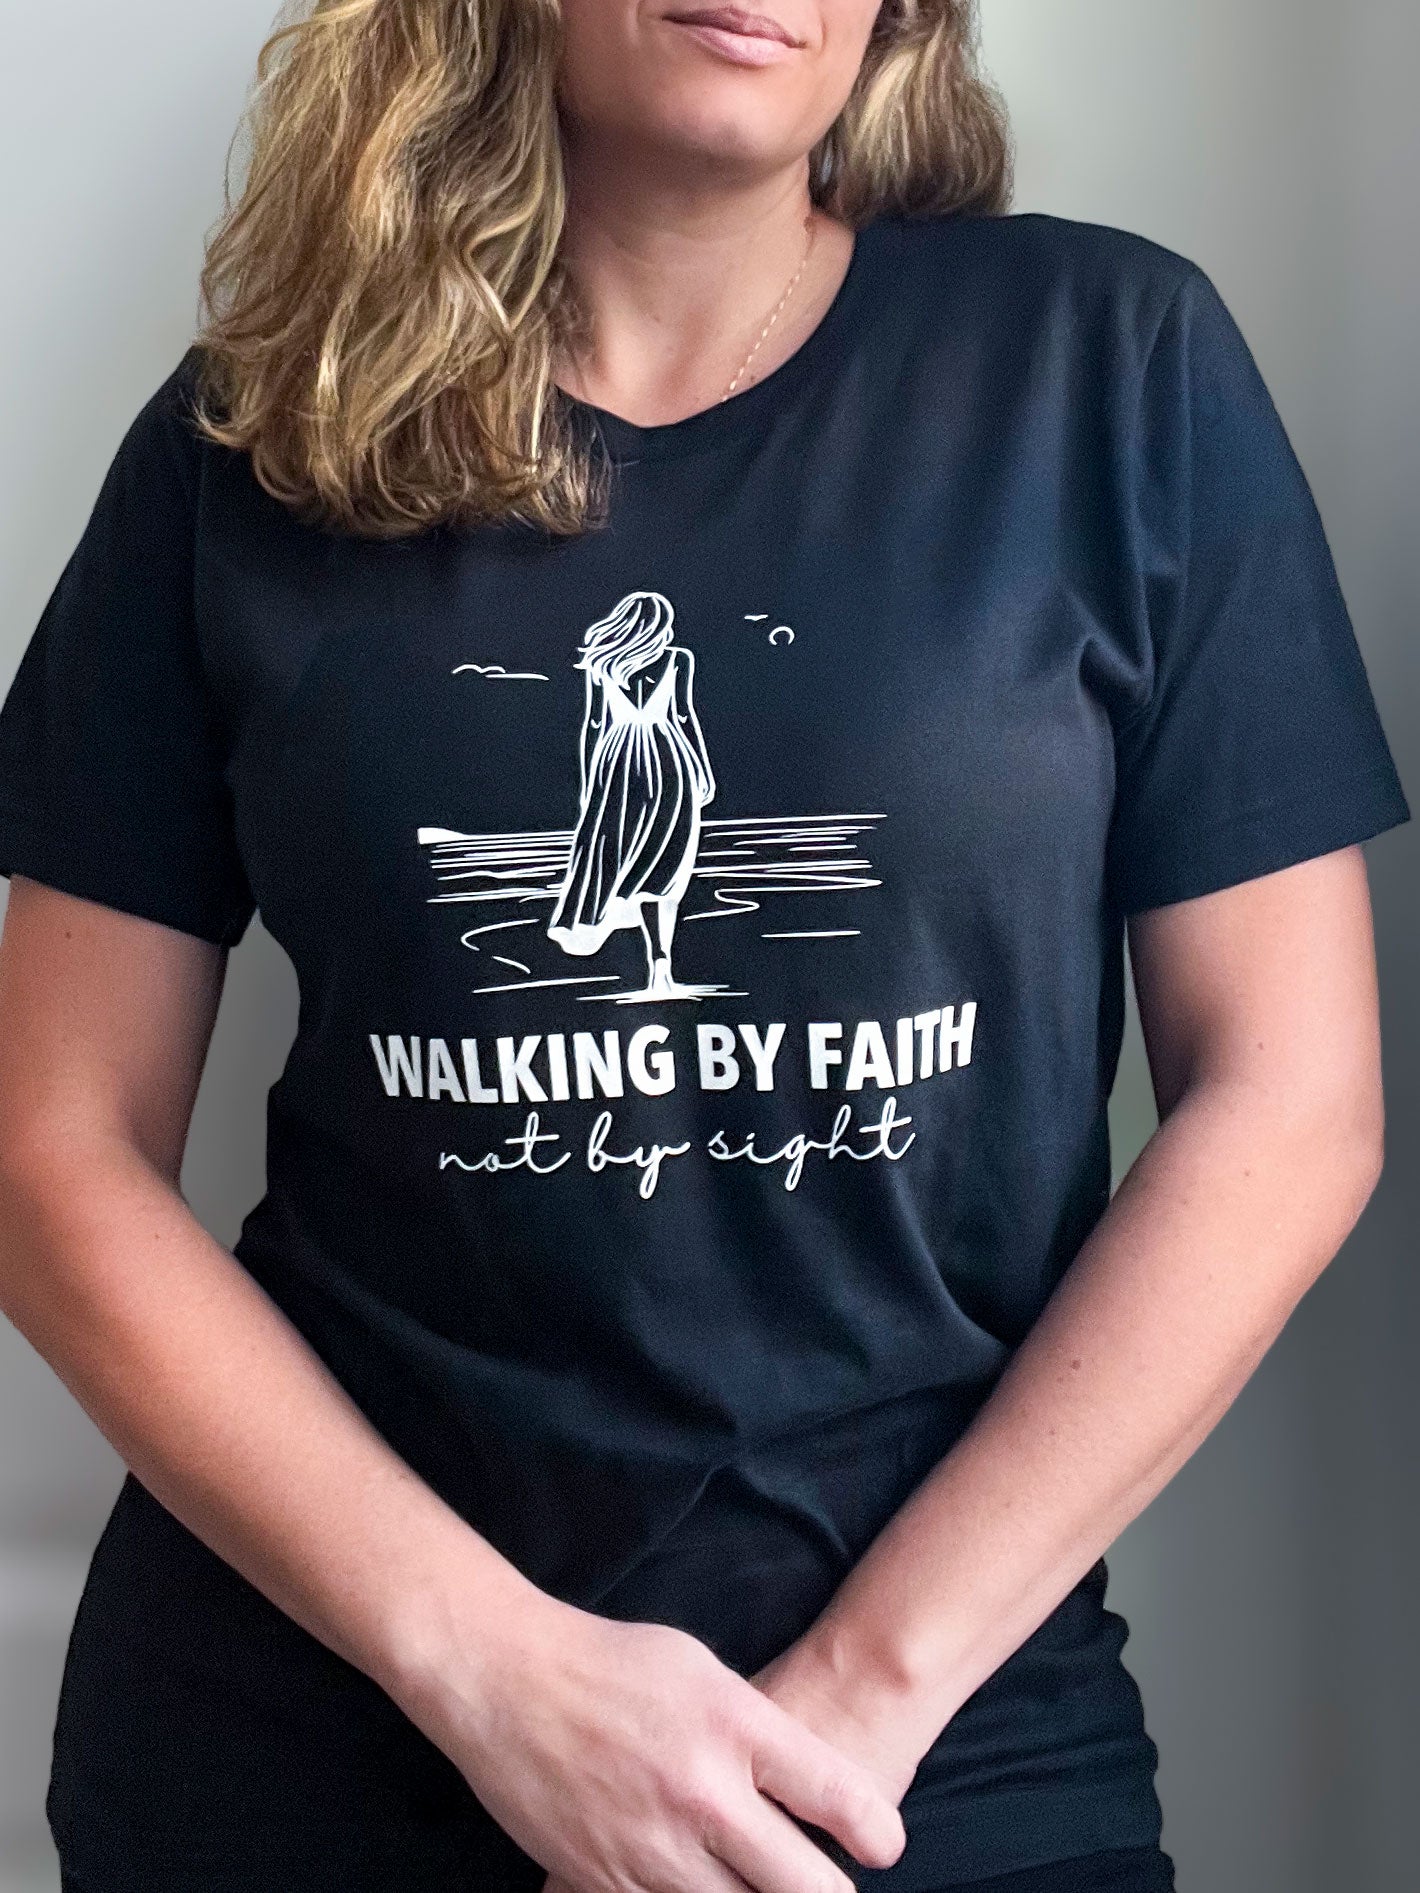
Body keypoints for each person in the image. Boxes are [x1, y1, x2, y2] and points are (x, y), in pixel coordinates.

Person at [0, 3, 1409, 1891]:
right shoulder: (256, 439)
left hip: (922, 1766)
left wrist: (846, 1706)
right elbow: (48, 1150)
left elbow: (1294, 1104)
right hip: (312, 1750)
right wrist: (498, 1679)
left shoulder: (1109, 372)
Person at [547, 589, 717, 998]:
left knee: (618, 853)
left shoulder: (603, 666)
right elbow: (683, 716)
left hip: (617, 764)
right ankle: (660, 965)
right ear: (656, 627)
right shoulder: (678, 660)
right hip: (667, 761)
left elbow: (593, 726)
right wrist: (703, 772)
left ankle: (653, 962)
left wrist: (589, 784)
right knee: (667, 866)